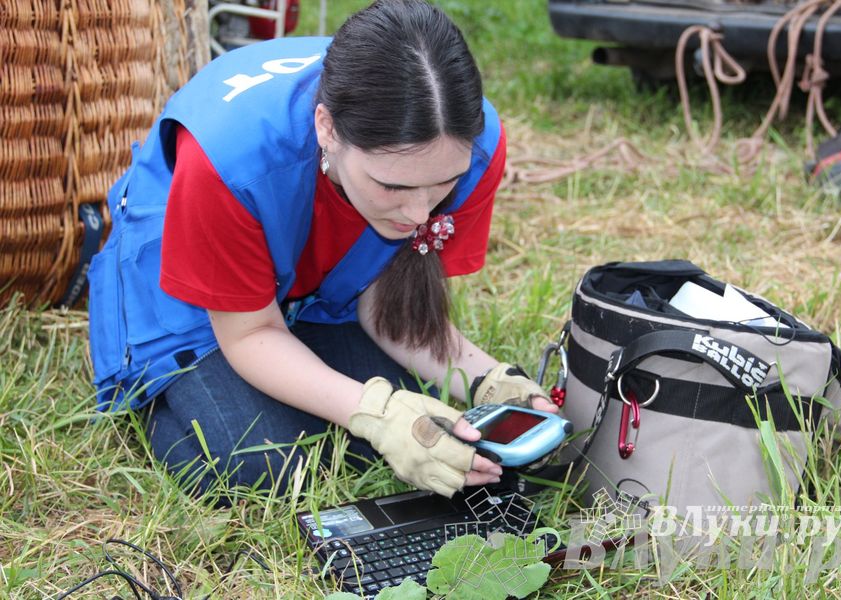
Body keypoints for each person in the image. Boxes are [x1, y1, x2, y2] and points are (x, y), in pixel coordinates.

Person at [87, 0, 557, 501]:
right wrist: (376, 414)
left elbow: (388, 302)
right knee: (260, 463)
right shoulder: (229, 161)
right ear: (326, 128)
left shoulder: (469, 140)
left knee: (428, 422)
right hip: (196, 286)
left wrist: (489, 382)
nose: (421, 215)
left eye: (444, 184)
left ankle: (303, 331)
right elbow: (250, 333)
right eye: (392, 186)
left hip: (312, 279)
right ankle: (164, 395)